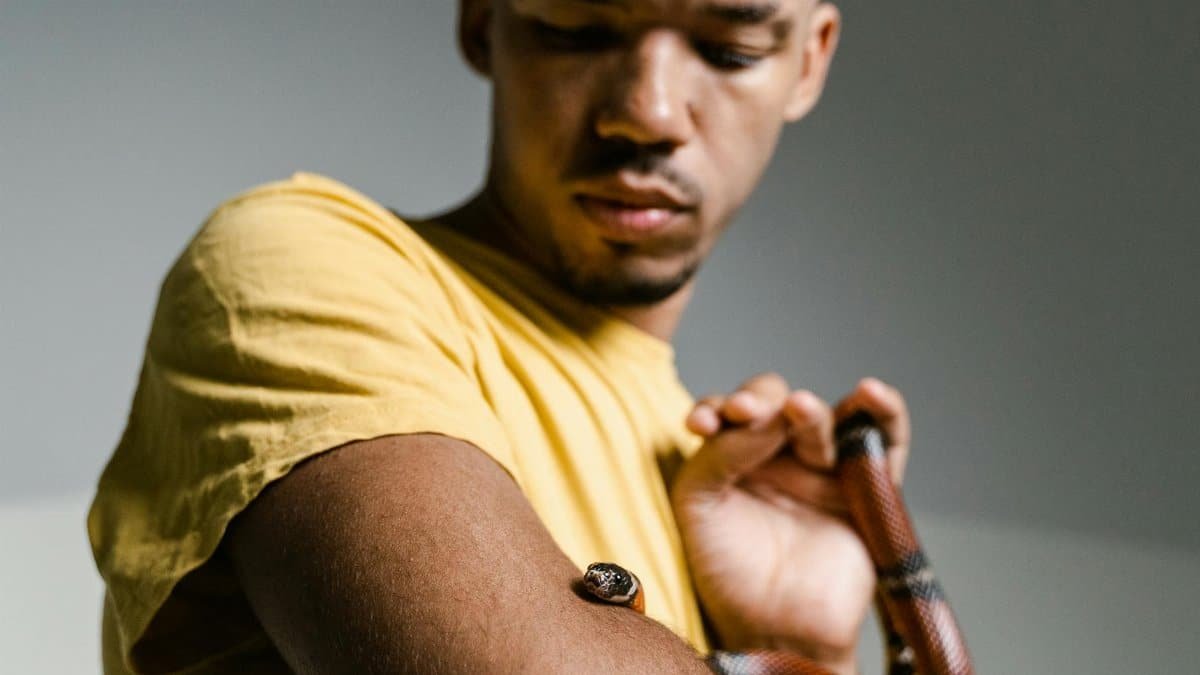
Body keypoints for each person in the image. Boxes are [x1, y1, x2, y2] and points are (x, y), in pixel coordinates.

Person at [89, 1, 914, 673]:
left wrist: (801, 648)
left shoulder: (704, 461)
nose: (647, 113)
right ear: (483, 19)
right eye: (577, 30)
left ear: (809, 60)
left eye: (731, 48)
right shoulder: (299, 265)